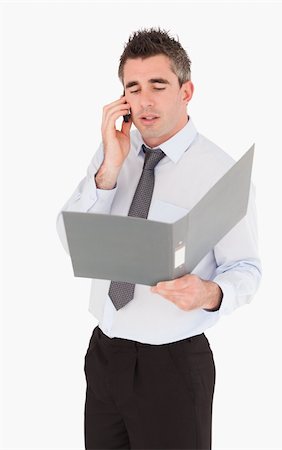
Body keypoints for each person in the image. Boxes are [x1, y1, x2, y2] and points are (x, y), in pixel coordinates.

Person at [56, 27, 262, 450]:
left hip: (173, 363)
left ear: (186, 92)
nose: (144, 100)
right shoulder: (112, 151)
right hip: (105, 355)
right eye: (133, 87)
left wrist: (208, 292)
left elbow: (246, 268)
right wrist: (109, 170)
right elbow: (72, 239)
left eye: (158, 85)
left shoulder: (219, 172)